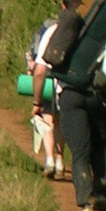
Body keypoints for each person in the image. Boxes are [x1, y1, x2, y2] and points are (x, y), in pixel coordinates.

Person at [36, 0, 106, 211]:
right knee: (101, 142)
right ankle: (104, 190)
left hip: (69, 95)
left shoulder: (55, 30)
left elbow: (40, 71)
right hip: (99, 95)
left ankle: (86, 205)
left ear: (63, 5)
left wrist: (37, 103)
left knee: (79, 151)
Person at [26, 17, 63, 180]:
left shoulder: (46, 29)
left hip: (46, 77)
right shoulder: (71, 30)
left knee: (47, 116)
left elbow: (33, 58)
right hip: (64, 79)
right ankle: (60, 160)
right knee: (59, 120)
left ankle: (49, 160)